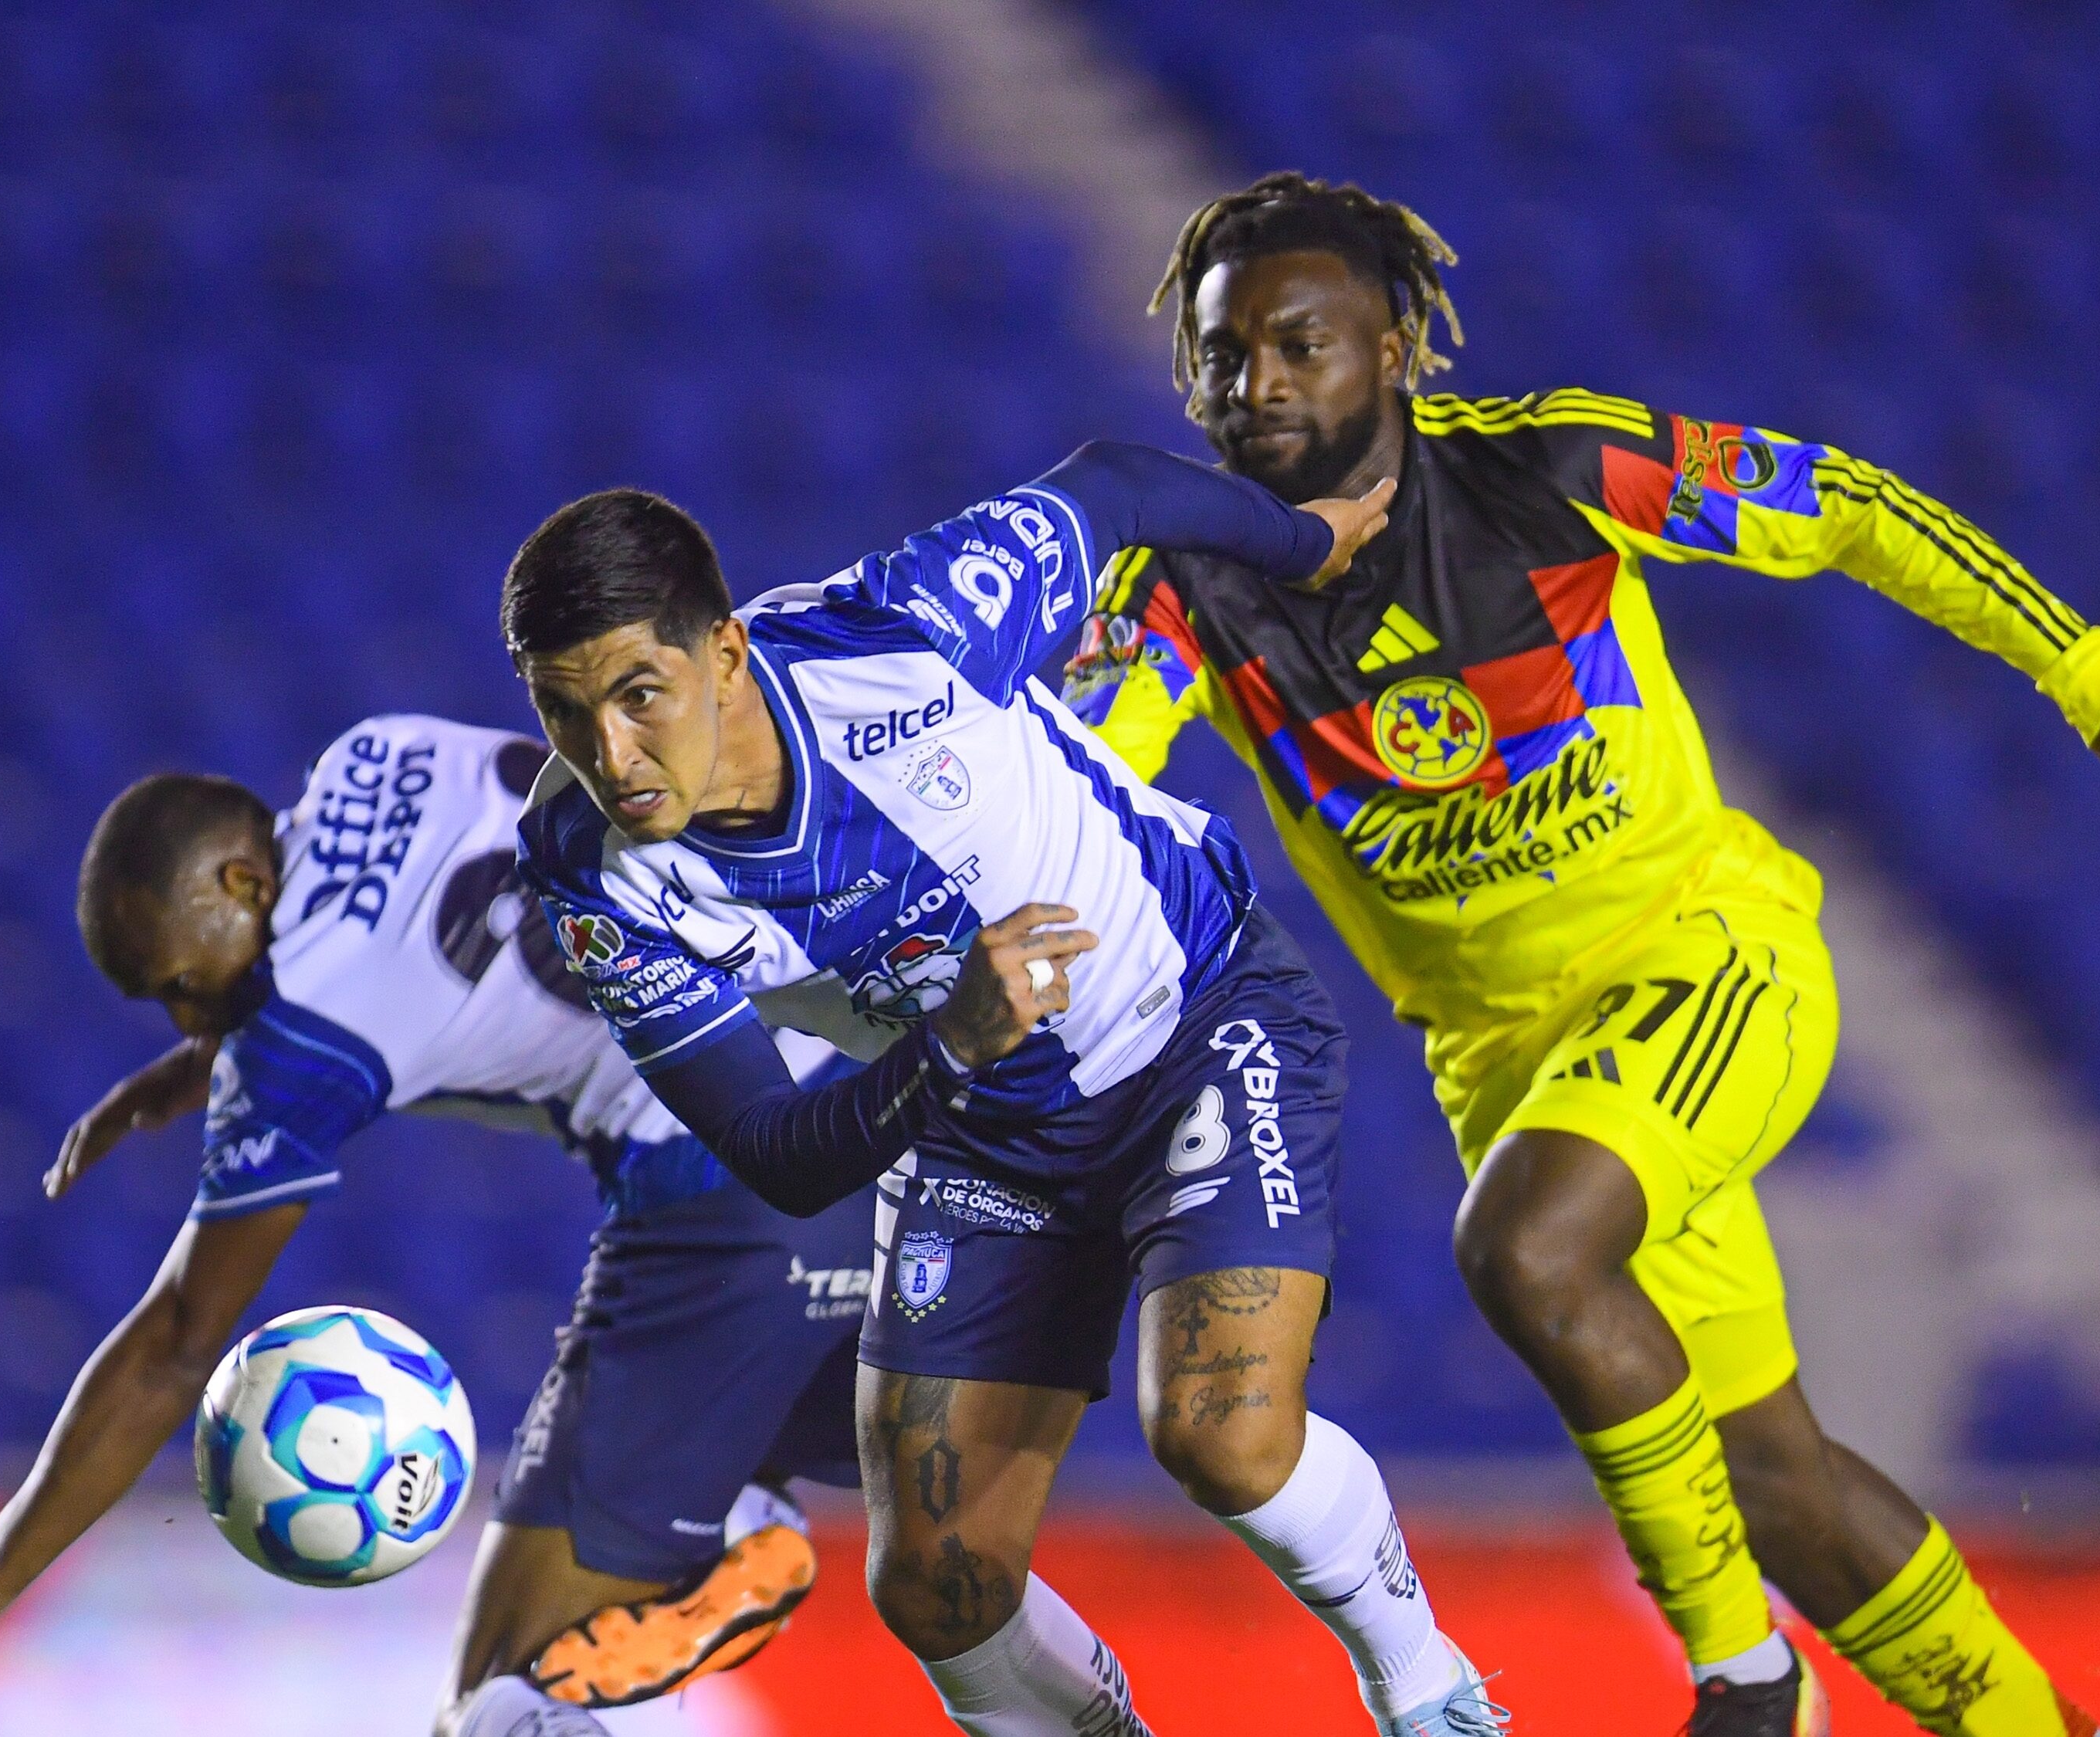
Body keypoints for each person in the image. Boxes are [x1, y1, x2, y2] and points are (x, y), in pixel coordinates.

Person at [1065, 172, 2100, 1737]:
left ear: (1390, 350)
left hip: (1706, 961)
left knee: (1522, 1249)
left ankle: (1745, 1685)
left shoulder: (1545, 467)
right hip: (1511, 1061)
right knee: (1772, 1478)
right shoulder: (1182, 589)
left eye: (1296, 344)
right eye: (1220, 356)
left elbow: (1844, 508)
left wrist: (2087, 673)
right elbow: (1075, 790)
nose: (1254, 387)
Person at [503, 442, 1506, 1737]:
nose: (610, 750)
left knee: (1220, 1434)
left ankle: (1430, 1693)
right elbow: (773, 1146)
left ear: (729, 654)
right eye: (564, 711)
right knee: (936, 1587)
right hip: (970, 1134)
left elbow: (1111, 490)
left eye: (641, 693)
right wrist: (953, 1048)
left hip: (1194, 1018)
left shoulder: (899, 634)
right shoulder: (586, 866)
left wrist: (1302, 544)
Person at [0, 716, 876, 1737]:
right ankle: (732, 1511)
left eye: (179, 986)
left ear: (241, 880)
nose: (185, 1015)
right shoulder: (374, 749)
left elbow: (174, 1344)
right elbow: (408, 934)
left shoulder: (293, 1038)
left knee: (507, 1690)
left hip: (725, 1182)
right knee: (930, 1528)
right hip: (869, 1091)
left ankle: (723, 1527)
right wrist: (204, 1060)